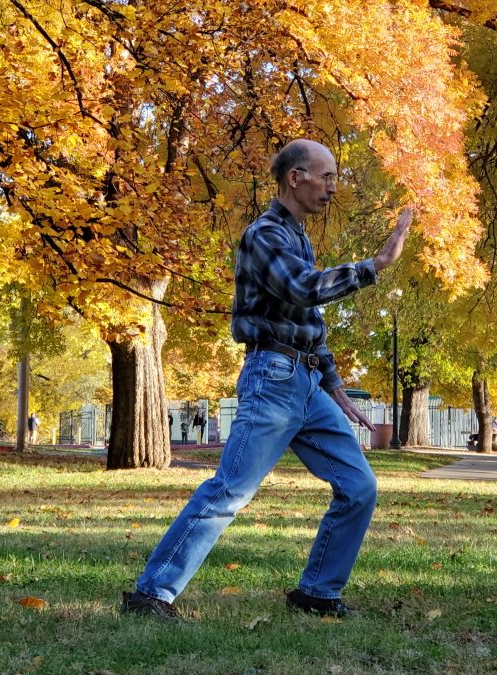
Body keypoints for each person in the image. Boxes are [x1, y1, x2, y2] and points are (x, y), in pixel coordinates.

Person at [122, 139, 412, 620]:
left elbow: (307, 318)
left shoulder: (299, 237)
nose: (332, 188)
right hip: (272, 379)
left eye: (335, 178)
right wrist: (375, 266)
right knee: (230, 490)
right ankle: (152, 593)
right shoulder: (265, 234)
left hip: (306, 384)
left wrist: (333, 383)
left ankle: (317, 592)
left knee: (359, 486)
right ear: (295, 177)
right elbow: (302, 289)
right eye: (326, 177)